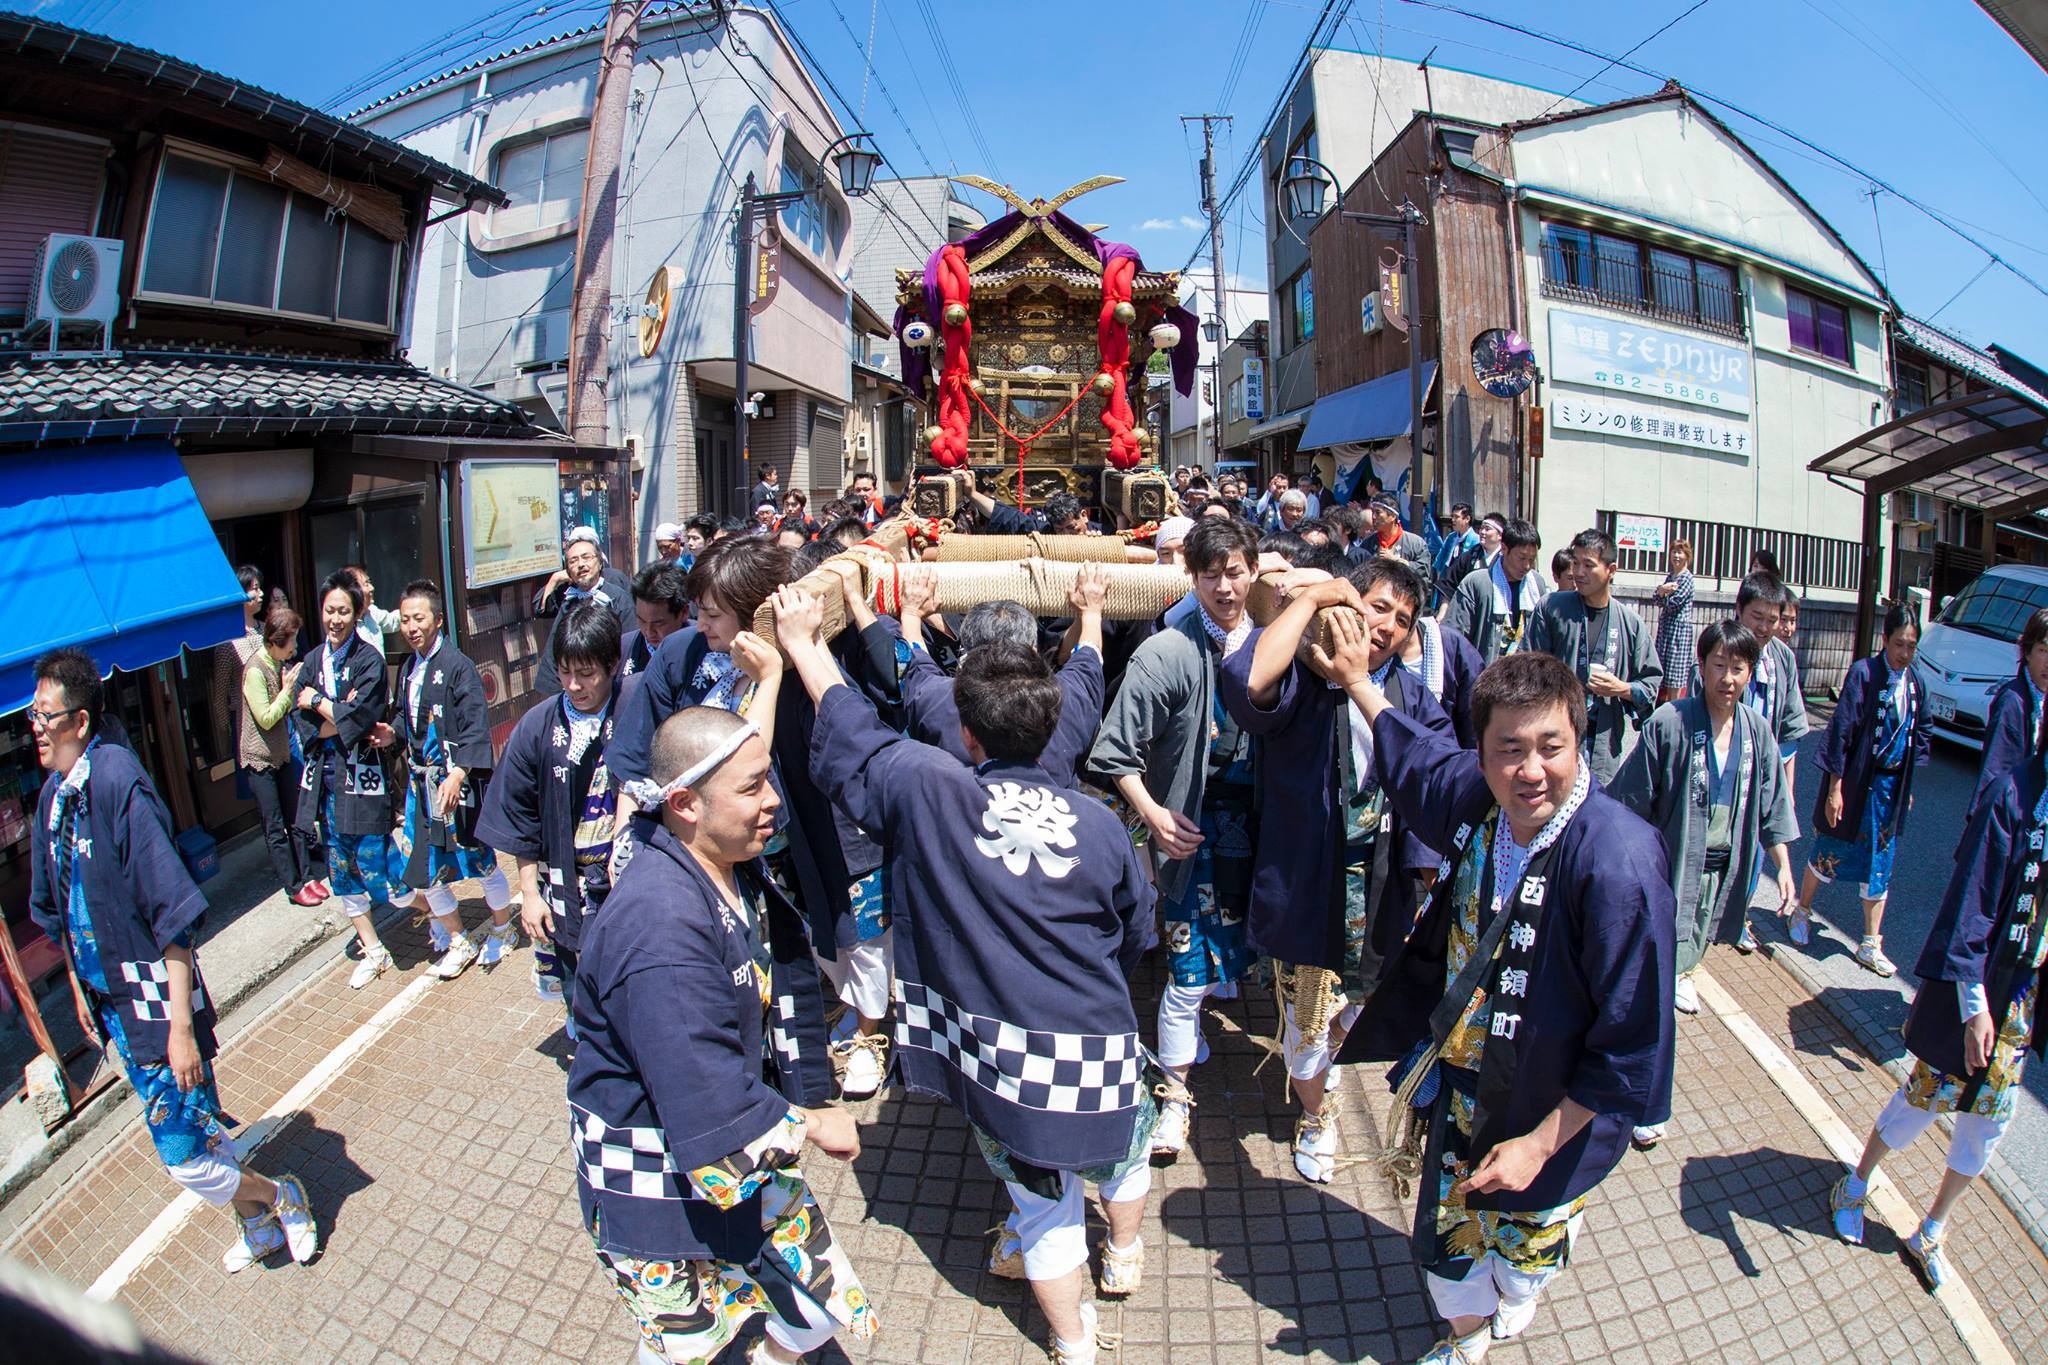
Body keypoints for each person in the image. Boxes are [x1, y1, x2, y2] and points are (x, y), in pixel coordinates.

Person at [782, 596, 1156, 1365]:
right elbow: (1137, 929)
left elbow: (855, 729)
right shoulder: (1102, 825)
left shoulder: (932, 790)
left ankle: (1075, 1339)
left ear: (968, 732)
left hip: (1002, 1050)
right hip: (1100, 1040)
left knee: (1042, 1206)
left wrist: (803, 642)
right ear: (1054, 728)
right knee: (1125, 1147)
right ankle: (1124, 1255)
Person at [1339, 652, 1674, 1362]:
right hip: (1466, 1090)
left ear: (1579, 740)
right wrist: (1357, 681)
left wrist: (1541, 1142)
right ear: (1483, 753)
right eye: (1509, 750)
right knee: (1449, 1246)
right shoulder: (1478, 799)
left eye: (1550, 747)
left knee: (1526, 1250)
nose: (1531, 771)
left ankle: (1515, 1300)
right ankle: (1469, 1337)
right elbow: (1416, 759)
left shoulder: (1617, 860)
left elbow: (1630, 1040)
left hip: (1554, 1106)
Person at [567, 705, 865, 1365]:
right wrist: (812, 1123)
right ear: (684, 803)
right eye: (753, 786)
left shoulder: (715, 856)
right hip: (657, 1174)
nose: (774, 800)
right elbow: (700, 1084)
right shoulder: (660, 930)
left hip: (720, 1151)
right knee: (695, 1342)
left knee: (810, 1306)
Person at [28, 648, 320, 1273]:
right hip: (114, 1007)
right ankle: (256, 1222)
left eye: (45, 714)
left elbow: (174, 913)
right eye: (33, 712)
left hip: (155, 1002)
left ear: (80, 721)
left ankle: (279, 1195)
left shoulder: (116, 782)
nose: (35, 725)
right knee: (205, 1124)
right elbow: (59, 910)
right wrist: (81, 994)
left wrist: (181, 1029)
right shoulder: (55, 796)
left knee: (184, 1153)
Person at [1222, 558, 1453, 1183]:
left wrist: (1426, 876)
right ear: (1349, 602)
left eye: (1402, 621)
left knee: (1369, 1001)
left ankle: (1327, 1078)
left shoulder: (1405, 692)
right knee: (1308, 1012)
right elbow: (1247, 686)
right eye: (1378, 607)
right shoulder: (1305, 673)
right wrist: (1313, 597)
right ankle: (1316, 1115)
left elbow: (1439, 775)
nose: (1386, 628)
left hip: (1381, 883)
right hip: (1309, 880)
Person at [1829, 732, 2048, 1291]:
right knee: (1926, 1095)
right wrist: (1974, 1007)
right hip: (1978, 992)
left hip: (2023, 997)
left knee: (1991, 1118)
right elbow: (1972, 903)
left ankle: (1933, 1226)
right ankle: (1855, 1183)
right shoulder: (2014, 795)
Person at [1087, 516, 1263, 1161]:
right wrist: (1154, 815)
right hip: (1191, 827)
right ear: (1191, 576)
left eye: (1236, 571)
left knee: (1275, 963)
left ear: (1254, 570)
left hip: (1267, 834)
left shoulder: (1275, 640)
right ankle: (1174, 1097)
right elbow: (1114, 752)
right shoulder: (1166, 649)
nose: (1224, 586)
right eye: (1210, 573)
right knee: (1186, 973)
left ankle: (1313, 1102)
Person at [1609, 621, 1795, 1145]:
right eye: (1719, 666)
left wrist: (1782, 866)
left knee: (1664, 984)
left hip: (1713, 884)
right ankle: (1643, 1100)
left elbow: (1771, 808)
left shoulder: (1757, 732)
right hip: (1667, 881)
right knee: (1652, 991)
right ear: (1701, 665)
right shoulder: (1670, 723)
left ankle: (1633, 1086)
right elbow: (1629, 806)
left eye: (1739, 669)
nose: (1728, 678)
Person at [476, 603, 622, 1037]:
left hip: (622, 874)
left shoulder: (635, 707)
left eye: (587, 673)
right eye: (564, 673)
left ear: (612, 665)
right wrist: (528, 893)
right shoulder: (537, 726)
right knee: (576, 974)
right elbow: (520, 819)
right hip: (562, 877)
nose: (575, 686)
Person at [1790, 605, 1930, 976]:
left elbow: (1923, 731)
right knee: (1831, 848)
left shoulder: (1916, 683)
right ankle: (1802, 910)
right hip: (1856, 783)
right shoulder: (1864, 673)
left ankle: (1870, 942)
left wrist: (1907, 781)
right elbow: (1842, 731)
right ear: (1885, 640)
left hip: (1889, 788)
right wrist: (1835, 788)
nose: (1905, 653)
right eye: (1899, 643)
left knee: (1880, 864)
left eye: (1912, 646)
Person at [387, 580, 515, 980]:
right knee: (426, 867)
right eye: (405, 619)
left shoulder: (458, 667)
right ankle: (458, 937)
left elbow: (477, 727)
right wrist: (391, 733)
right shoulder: (409, 667)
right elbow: (404, 718)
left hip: (454, 785)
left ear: (438, 620)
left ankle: (502, 927)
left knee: (477, 860)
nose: (411, 627)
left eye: (419, 618)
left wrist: (459, 772)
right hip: (421, 787)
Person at [896, 567, 1108, 790]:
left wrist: (911, 613)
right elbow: (1090, 653)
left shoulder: (937, 699)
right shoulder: (1069, 696)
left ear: (966, 651)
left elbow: (913, 661)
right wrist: (1091, 612)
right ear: (1034, 650)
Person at [293, 571, 401, 990]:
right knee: (340, 867)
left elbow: (361, 719)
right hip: (326, 781)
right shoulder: (311, 661)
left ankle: (438, 916)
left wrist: (320, 702)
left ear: (358, 614)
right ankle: (374, 949)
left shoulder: (370, 660)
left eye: (344, 611)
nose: (335, 619)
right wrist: (339, 711)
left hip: (364, 777)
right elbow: (306, 724)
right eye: (329, 610)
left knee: (379, 860)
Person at [1524, 529, 1663, 785]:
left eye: (1588, 565)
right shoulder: (1552, 608)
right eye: (1575, 563)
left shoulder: (1630, 623)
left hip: (1604, 740)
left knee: (1595, 809)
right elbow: (1530, 667)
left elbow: (1651, 683)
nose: (1579, 572)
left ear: (1611, 569)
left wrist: (1623, 689)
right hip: (1554, 732)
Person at [239, 609, 322, 907]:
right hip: (259, 760)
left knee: (297, 818)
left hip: (282, 754)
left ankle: (309, 876)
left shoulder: (277, 662)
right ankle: (293, 885)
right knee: (275, 826)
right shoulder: (255, 670)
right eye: (292, 641)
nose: (295, 647)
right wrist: (288, 690)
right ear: (277, 641)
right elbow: (266, 717)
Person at [1965, 606, 2048, 833]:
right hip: (2014, 820)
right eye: (2043, 650)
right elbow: (1995, 772)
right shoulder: (2012, 701)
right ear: (2027, 651)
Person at [534, 530, 633, 697]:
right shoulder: (568, 598)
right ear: (568, 571)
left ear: (600, 562)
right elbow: (553, 649)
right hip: (563, 688)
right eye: (573, 561)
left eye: (587, 558)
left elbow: (628, 646)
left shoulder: (618, 599)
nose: (580, 564)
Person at [1442, 518, 1542, 662]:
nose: (1527, 566)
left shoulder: (1536, 585)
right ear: (1504, 548)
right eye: (1522, 558)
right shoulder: (1477, 583)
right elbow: (1453, 638)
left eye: (1532, 559)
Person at [1398, 602, 1485, 750]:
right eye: (1379, 609)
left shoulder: (1452, 647)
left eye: (1401, 618)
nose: (1387, 625)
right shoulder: (1368, 656)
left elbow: (1474, 722)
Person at [209, 566, 268, 762]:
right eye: (255, 588)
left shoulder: (267, 630)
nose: (261, 594)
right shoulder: (229, 643)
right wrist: (228, 733)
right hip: (245, 722)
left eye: (260, 588)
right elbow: (221, 692)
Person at [623, 562, 689, 678]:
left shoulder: (705, 649)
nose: (648, 632)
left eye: (658, 623)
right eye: (642, 621)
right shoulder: (623, 648)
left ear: (683, 613)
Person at [1652, 540, 1695, 704]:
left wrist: (1662, 592)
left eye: (1680, 552)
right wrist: (1662, 591)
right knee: (1662, 671)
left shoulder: (1687, 578)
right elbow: (1656, 599)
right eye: (1674, 552)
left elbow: (1673, 604)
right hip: (1666, 630)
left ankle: (1675, 709)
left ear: (1687, 556)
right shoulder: (1670, 577)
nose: (1676, 556)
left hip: (1679, 632)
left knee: (1675, 676)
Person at [1370, 495, 1432, 588]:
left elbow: (1424, 571)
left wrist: (1397, 561)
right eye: (1372, 512)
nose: (1373, 517)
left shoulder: (1416, 544)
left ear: (1392, 516)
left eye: (1378, 513)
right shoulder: (1368, 543)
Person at [342, 564, 399, 653]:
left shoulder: (372, 612)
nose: (372, 588)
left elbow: (393, 621)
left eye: (370, 583)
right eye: (366, 584)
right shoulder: (344, 624)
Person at [1433, 504, 1480, 600]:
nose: (1453, 520)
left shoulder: (1476, 540)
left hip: (1463, 582)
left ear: (1467, 519)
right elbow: (1441, 557)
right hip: (1446, 580)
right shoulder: (1451, 537)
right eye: (1452, 516)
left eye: (1456, 517)